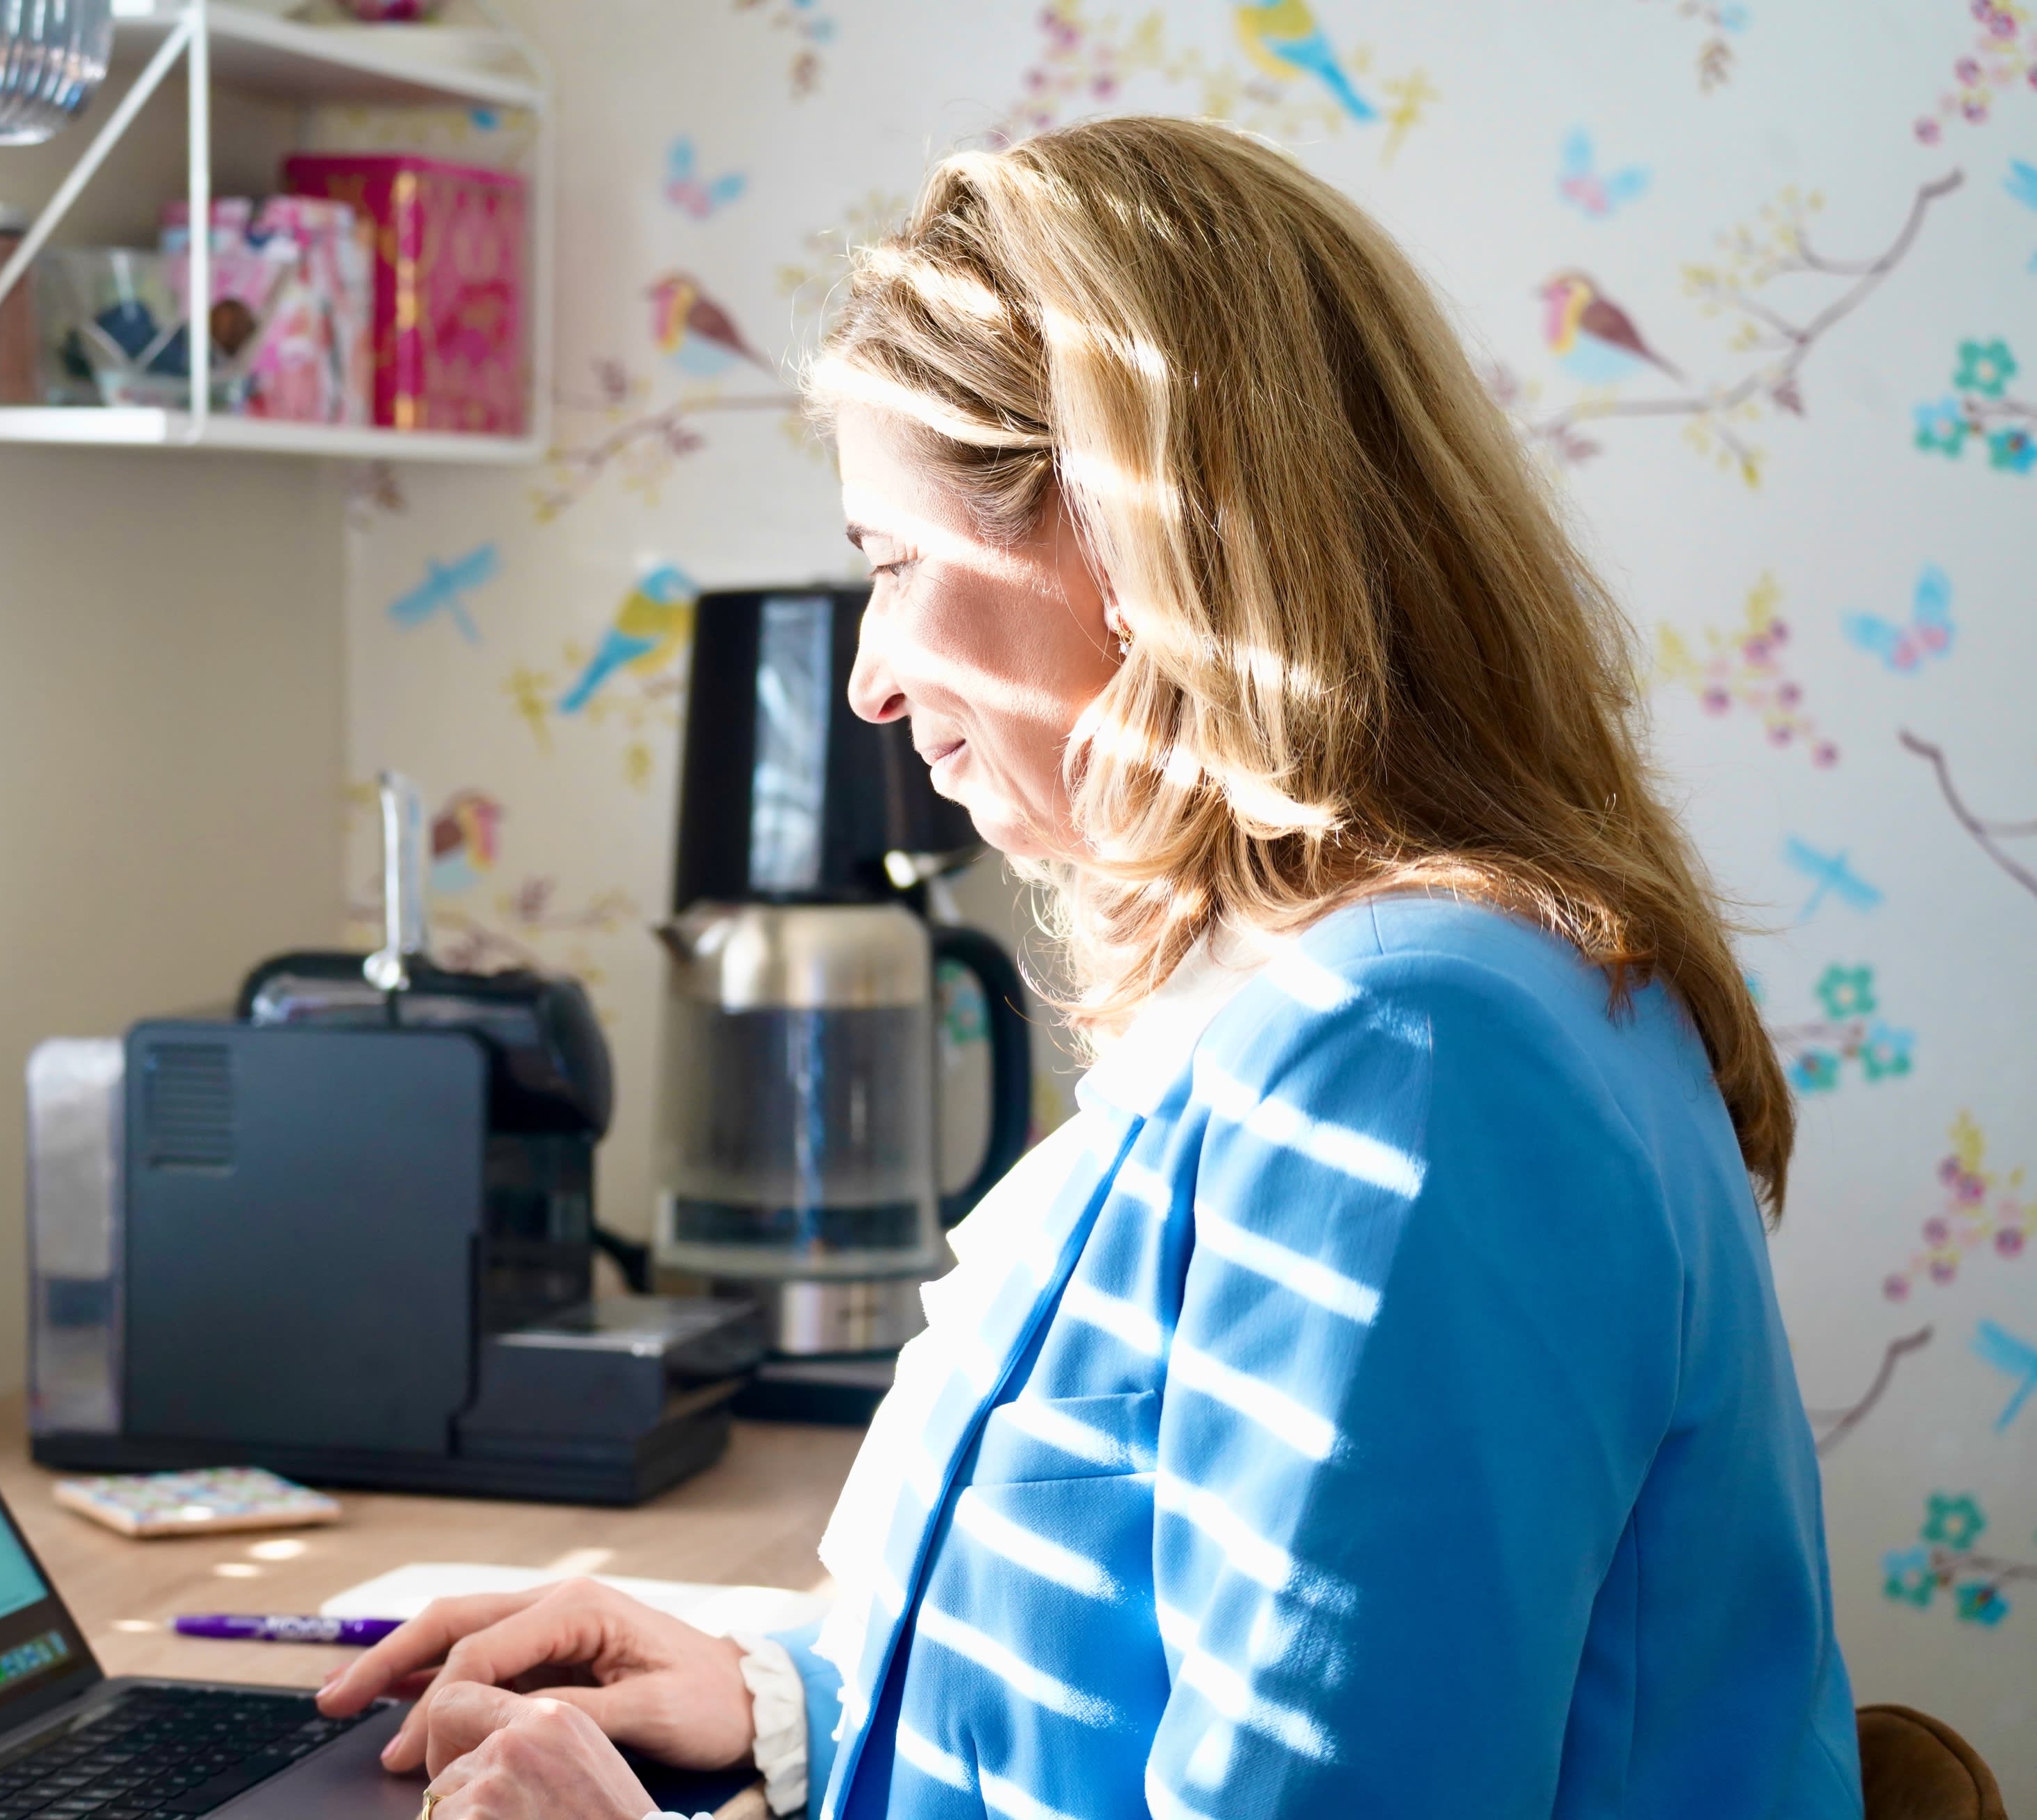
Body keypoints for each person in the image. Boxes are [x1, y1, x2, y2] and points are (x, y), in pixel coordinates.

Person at [317, 114, 1858, 1820]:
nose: (869, 681)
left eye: (895, 563)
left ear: (1131, 542)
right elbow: (1130, 1662)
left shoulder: (1411, 1057)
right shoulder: (1321, 1000)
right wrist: (794, 1698)